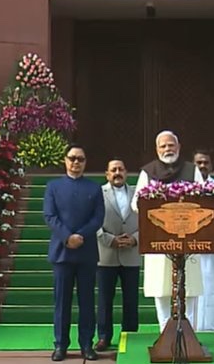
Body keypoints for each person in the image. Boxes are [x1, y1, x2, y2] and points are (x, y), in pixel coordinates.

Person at [130, 130, 204, 330]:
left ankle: (190, 332)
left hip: (188, 237)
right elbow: (136, 203)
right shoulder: (148, 172)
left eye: (171, 145)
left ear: (178, 147)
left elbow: (204, 198)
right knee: (160, 287)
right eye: (163, 146)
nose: (167, 149)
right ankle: (165, 331)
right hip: (158, 237)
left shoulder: (192, 170)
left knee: (190, 287)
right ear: (157, 149)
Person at [44, 145, 105, 361]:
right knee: (62, 302)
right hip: (62, 253)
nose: (76, 162)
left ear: (85, 162)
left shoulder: (94, 188)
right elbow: (50, 216)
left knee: (87, 302)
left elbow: (98, 218)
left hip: (86, 252)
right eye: (72, 158)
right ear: (65, 160)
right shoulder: (53, 186)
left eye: (80, 159)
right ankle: (61, 345)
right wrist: (67, 237)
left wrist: (80, 235)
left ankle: (87, 345)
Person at [95, 159, 141, 351]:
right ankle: (104, 336)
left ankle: (130, 335)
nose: (117, 173)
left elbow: (147, 220)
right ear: (107, 174)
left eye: (120, 169)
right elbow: (92, 221)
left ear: (126, 172)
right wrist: (109, 239)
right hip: (106, 254)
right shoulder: (98, 194)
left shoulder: (138, 193)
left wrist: (135, 239)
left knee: (131, 299)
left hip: (131, 253)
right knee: (105, 299)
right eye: (113, 170)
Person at [192, 149, 214, 332]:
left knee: (213, 288)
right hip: (191, 247)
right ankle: (192, 328)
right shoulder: (185, 187)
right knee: (192, 289)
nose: (202, 166)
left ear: (211, 165)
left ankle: (213, 328)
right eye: (198, 163)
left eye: (205, 162)